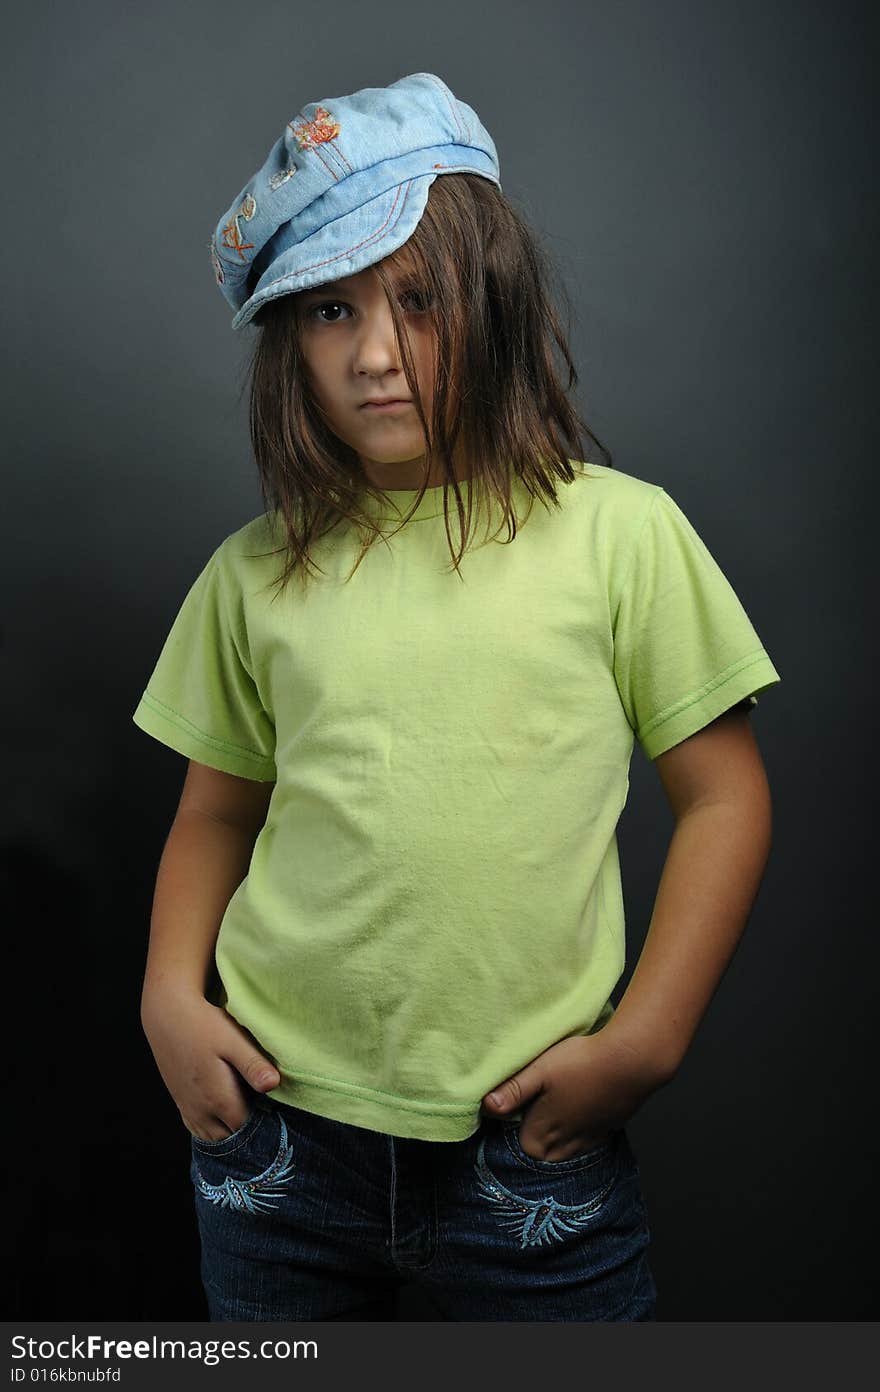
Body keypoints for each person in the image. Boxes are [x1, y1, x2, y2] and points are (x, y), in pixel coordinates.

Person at [133, 72, 781, 1322]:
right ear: (288, 343)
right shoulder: (255, 571)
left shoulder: (620, 535)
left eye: (418, 300)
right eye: (330, 309)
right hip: (278, 1143)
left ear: (492, 295)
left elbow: (725, 798)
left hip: (526, 1156)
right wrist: (168, 996)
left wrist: (645, 1043)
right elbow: (215, 812)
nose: (375, 352)